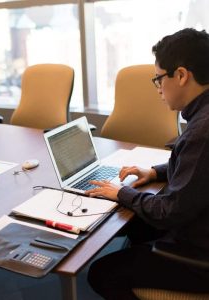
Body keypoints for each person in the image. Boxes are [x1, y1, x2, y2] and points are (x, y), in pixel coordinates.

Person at [85, 28, 209, 299]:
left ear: (181, 75)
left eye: (158, 79)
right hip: (197, 225)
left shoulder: (202, 130)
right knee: (135, 223)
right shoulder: (202, 116)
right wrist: (154, 171)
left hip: (200, 256)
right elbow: (198, 169)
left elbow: (170, 212)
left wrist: (121, 193)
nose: (158, 89)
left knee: (102, 273)